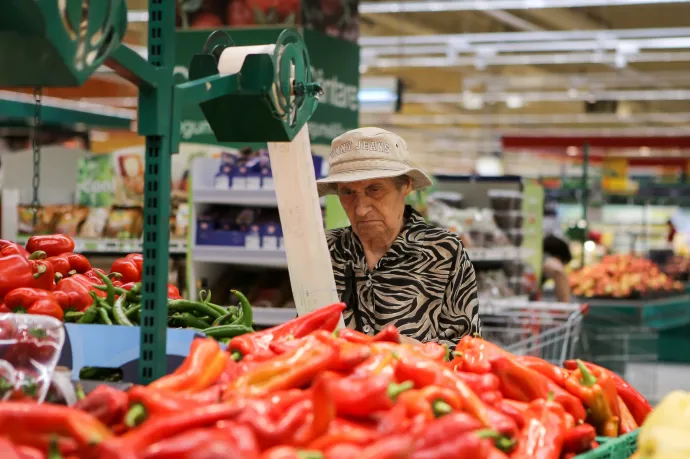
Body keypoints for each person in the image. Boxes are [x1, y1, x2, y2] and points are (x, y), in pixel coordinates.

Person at [316, 127, 481, 347]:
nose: (361, 209)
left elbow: (468, 347)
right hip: (336, 381)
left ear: (406, 185)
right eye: (347, 193)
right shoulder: (325, 250)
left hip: (415, 381)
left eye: (374, 189)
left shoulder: (443, 252)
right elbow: (304, 335)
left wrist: (417, 351)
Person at [542, 234, 573, 302]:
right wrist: (564, 307)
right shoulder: (545, 259)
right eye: (563, 264)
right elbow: (558, 271)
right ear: (557, 258)